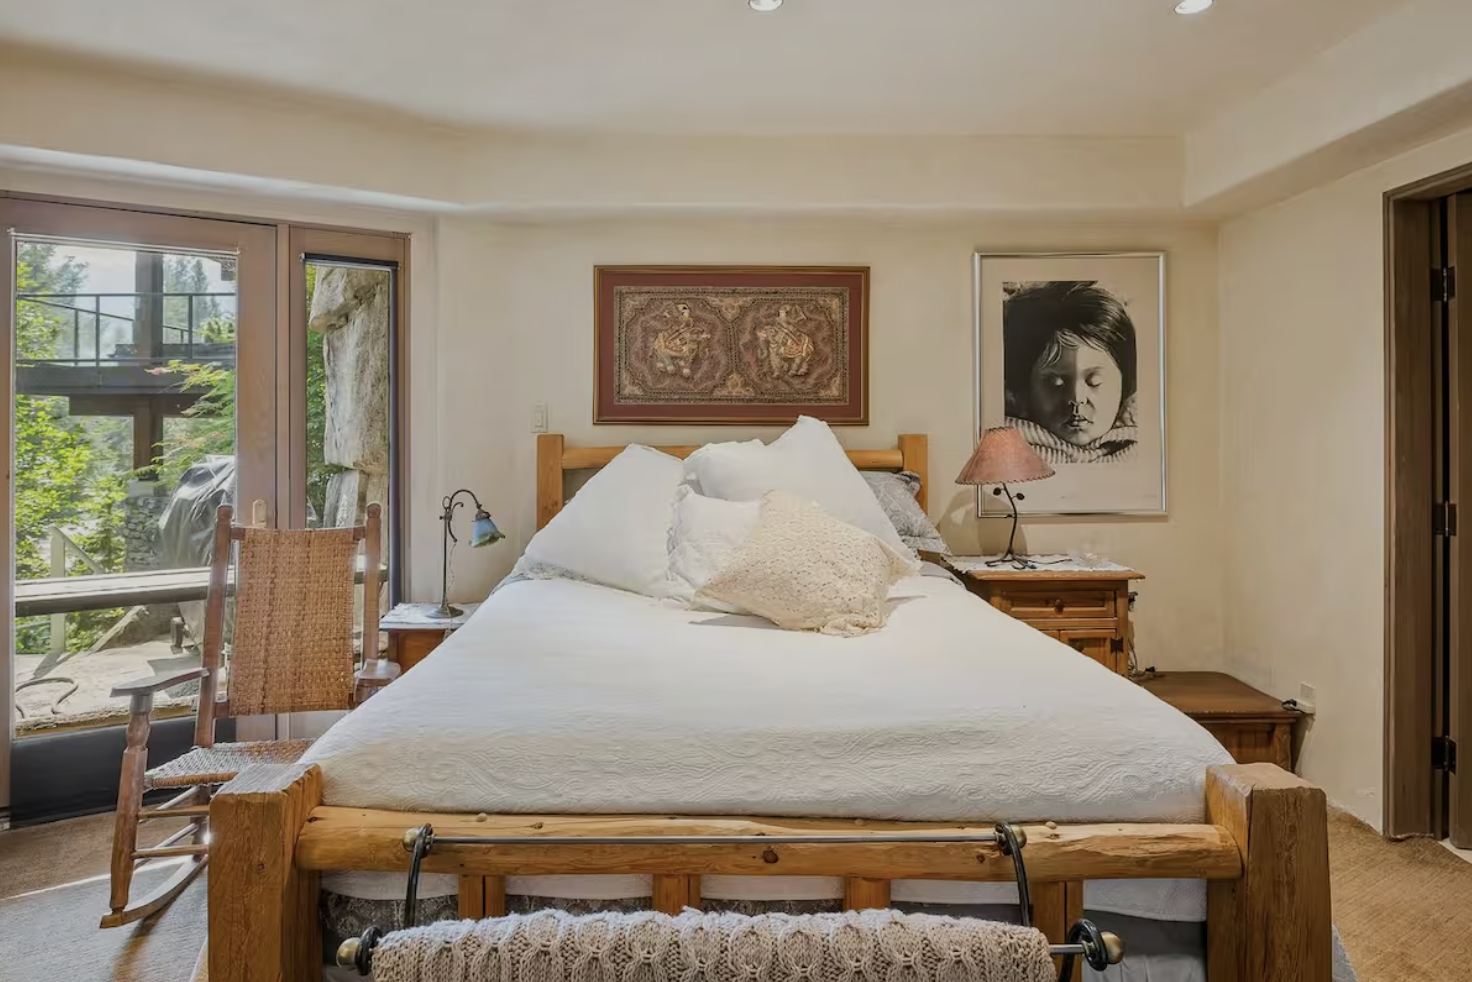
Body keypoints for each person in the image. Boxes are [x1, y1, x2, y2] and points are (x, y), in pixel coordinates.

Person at [1002, 280, 1138, 464]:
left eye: (1095, 382)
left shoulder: (1137, 447)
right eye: (1055, 384)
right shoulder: (1009, 451)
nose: (1076, 397)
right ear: (1023, 390)